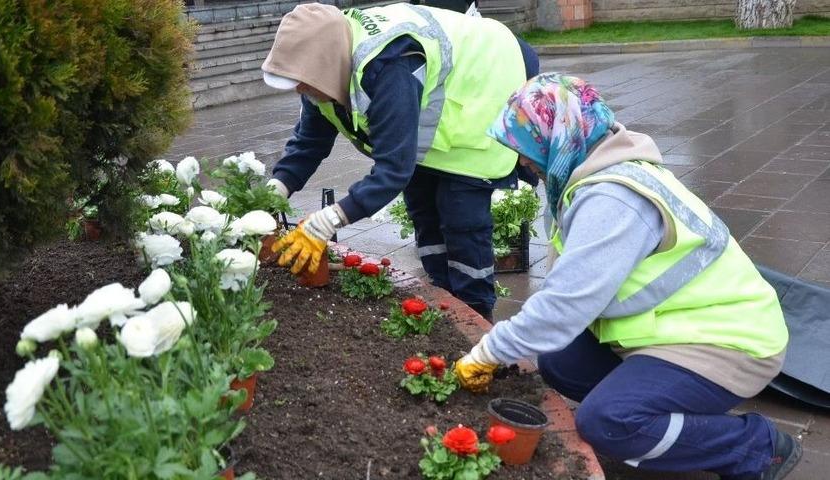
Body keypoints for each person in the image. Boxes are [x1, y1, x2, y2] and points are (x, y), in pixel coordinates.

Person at [453, 73, 801, 480]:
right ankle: (649, 410)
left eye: (527, 149)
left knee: (606, 422)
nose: (524, 162)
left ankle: (754, 448)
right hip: (681, 326)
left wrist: (488, 352)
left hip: (729, 343)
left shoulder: (614, 198)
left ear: (559, 137)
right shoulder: (602, 167)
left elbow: (565, 305)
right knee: (560, 361)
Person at [260, 2, 539, 320]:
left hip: (480, 93)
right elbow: (309, 143)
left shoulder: (389, 66)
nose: (299, 89)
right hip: (434, 119)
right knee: (423, 211)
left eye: (302, 81)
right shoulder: (322, 73)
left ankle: (476, 316)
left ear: (323, 63)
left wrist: (329, 220)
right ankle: (444, 302)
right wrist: (275, 190)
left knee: (462, 219)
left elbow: (393, 170)